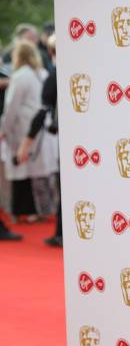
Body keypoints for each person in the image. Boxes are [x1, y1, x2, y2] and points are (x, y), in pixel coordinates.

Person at [0, 40, 58, 222]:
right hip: (41, 128)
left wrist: (4, 129)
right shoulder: (43, 73)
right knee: (40, 173)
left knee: (22, 171)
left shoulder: (20, 77)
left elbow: (11, 107)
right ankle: (42, 210)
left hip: (24, 130)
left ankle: (25, 210)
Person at [18, 34, 62, 247]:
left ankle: (62, 233)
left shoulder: (54, 76)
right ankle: (62, 232)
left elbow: (42, 112)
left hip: (65, 143)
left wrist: (26, 144)